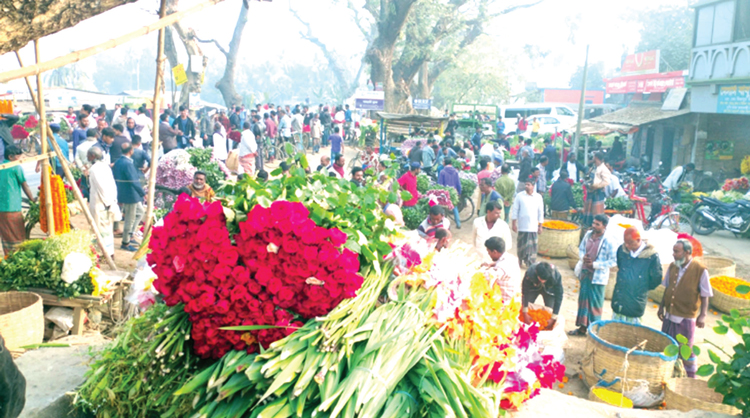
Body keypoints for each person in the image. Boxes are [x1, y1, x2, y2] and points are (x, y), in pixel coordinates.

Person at [658, 239, 712, 378]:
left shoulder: (700, 270)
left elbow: (705, 294)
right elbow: (667, 289)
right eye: (673, 251)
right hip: (670, 315)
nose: (673, 254)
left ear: (687, 252)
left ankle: (689, 377)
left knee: (686, 350)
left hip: (686, 317)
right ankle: (668, 375)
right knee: (667, 345)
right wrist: (661, 306)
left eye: (676, 252)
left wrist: (703, 315)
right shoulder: (673, 266)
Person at [570, 214, 617, 336]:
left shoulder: (609, 240)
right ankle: (582, 328)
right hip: (585, 273)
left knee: (595, 304)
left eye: (597, 224)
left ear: (604, 226)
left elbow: (614, 261)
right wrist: (583, 257)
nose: (594, 226)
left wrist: (595, 265)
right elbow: (581, 249)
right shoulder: (588, 235)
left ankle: (594, 332)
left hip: (598, 277)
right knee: (583, 302)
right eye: (593, 223)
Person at [611, 227, 662, 324]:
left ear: (638, 240)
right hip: (619, 298)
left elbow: (656, 279)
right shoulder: (622, 251)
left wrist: (641, 286)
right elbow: (620, 265)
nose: (627, 245)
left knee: (632, 334)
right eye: (625, 242)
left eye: (630, 243)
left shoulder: (651, 256)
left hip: (636, 301)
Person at [0, 146, 35, 256]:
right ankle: (18, 255)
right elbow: (24, 185)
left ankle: (8, 255)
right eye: (18, 156)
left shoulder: (1, 166)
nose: (20, 159)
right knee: (17, 233)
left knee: (6, 233)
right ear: (11, 157)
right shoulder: (15, 167)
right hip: (12, 206)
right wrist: (32, 199)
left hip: (2, 207)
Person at [87, 146, 120, 257]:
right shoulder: (105, 166)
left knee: (100, 230)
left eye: (88, 155)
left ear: (93, 156)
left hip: (101, 203)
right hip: (107, 202)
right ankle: (108, 253)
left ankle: (103, 254)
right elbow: (112, 185)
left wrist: (108, 203)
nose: (87, 157)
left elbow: (101, 187)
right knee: (106, 230)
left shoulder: (94, 169)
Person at [113, 143, 145, 252]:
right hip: (130, 194)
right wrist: (143, 193)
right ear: (131, 151)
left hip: (125, 192)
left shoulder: (118, 162)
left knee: (140, 212)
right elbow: (133, 181)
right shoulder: (127, 164)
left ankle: (130, 235)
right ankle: (125, 242)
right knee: (129, 219)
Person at [511, 176, 544, 268]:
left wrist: (540, 225)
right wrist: (514, 223)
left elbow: (541, 212)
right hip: (522, 226)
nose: (526, 186)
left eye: (528, 185)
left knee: (532, 246)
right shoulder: (519, 196)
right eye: (526, 184)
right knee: (521, 245)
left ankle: (530, 263)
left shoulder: (538, 197)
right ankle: (520, 261)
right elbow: (515, 210)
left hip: (533, 227)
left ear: (533, 186)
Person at [521, 262, 563, 330]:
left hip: (549, 291)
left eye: (544, 280)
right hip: (533, 288)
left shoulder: (556, 276)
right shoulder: (530, 273)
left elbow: (559, 296)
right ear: (536, 272)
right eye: (541, 279)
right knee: (526, 308)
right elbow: (525, 292)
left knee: (549, 313)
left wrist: (553, 318)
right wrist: (525, 312)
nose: (543, 281)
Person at [482, 236, 521, 302]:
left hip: (505, 304)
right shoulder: (511, 258)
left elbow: (488, 277)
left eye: (489, 252)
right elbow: (500, 265)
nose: (489, 255)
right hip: (514, 298)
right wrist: (491, 264)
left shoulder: (501, 267)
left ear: (494, 252)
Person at [581, 152, 611, 228]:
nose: (593, 158)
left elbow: (606, 182)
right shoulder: (594, 167)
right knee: (588, 212)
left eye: (594, 157)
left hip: (597, 193)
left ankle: (596, 227)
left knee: (596, 213)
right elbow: (588, 175)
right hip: (590, 193)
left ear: (596, 158)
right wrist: (586, 182)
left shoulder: (604, 169)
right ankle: (587, 226)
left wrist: (596, 186)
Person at [437, 158, 462, 228]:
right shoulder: (456, 171)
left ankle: (444, 225)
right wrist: (459, 192)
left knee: (443, 209)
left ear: (445, 163)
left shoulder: (442, 172)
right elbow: (458, 184)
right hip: (454, 192)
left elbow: (440, 184)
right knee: (454, 207)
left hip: (445, 193)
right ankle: (458, 224)